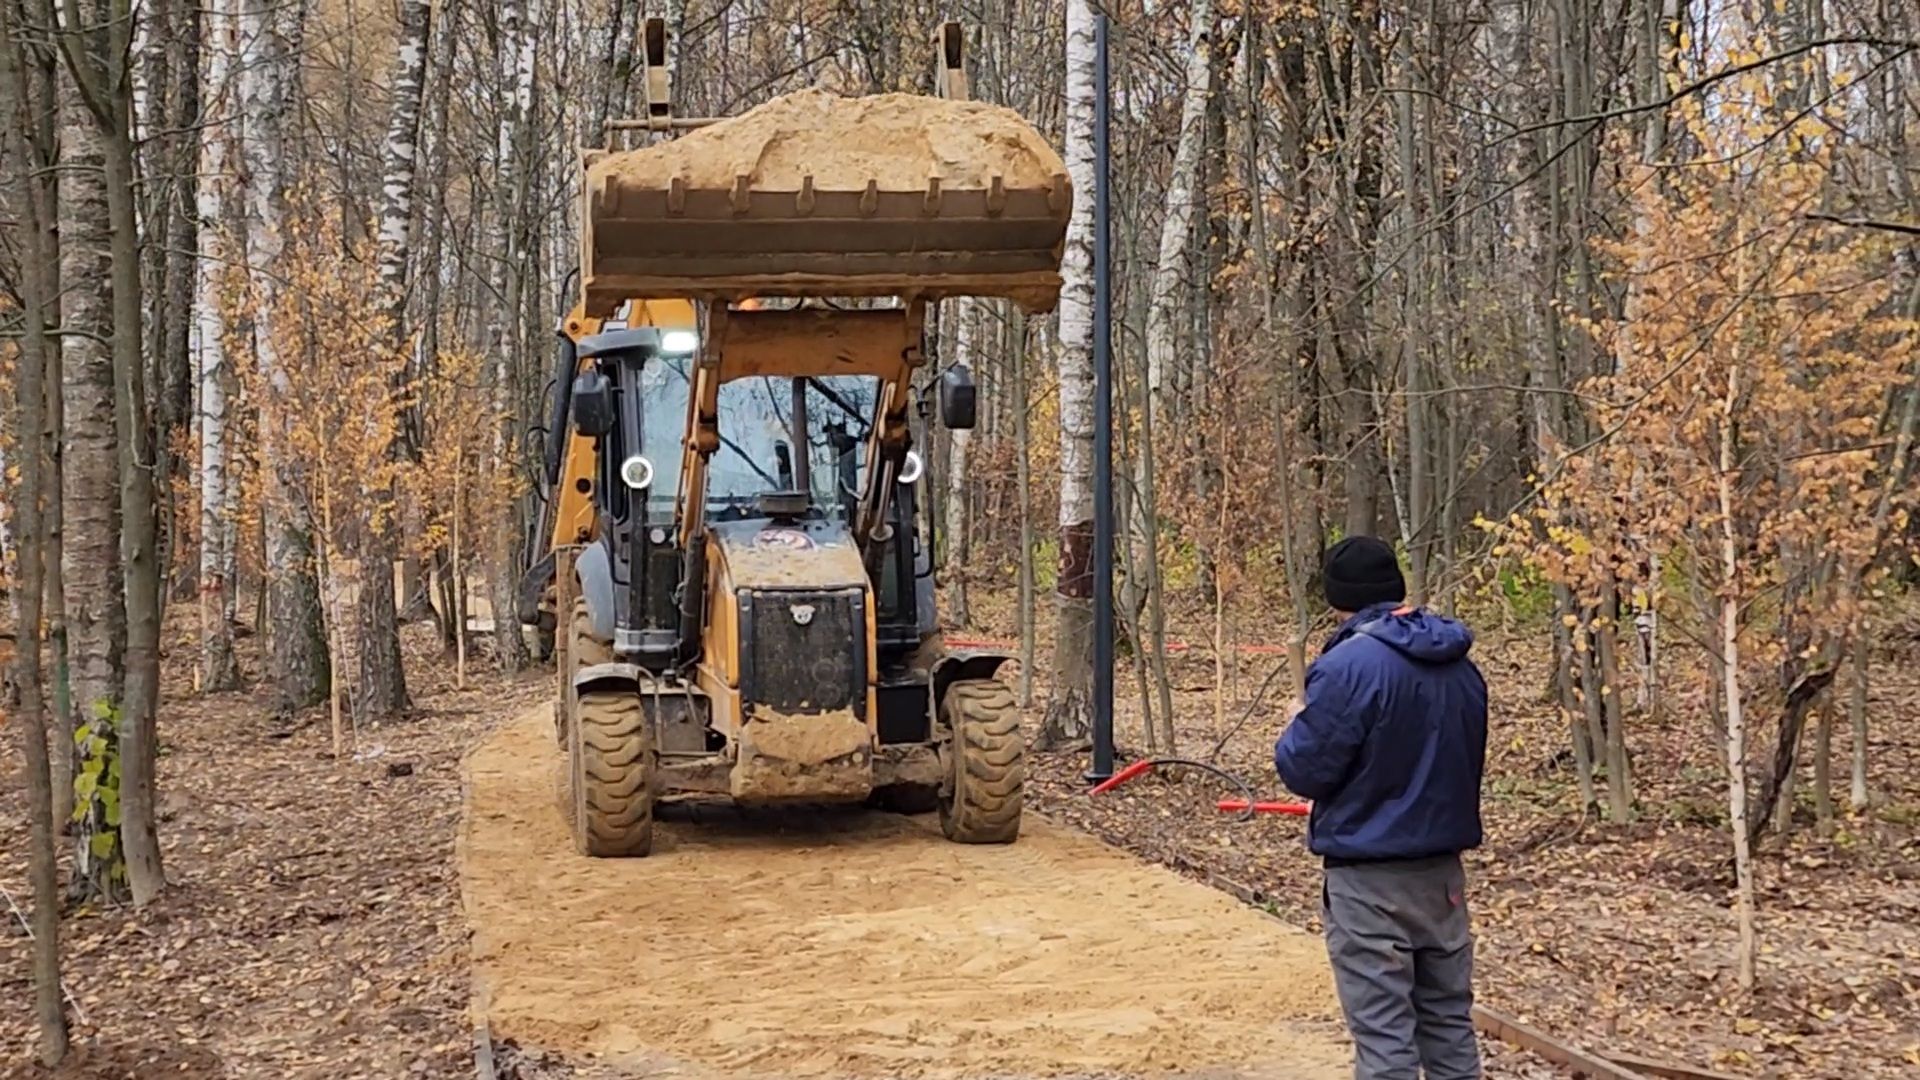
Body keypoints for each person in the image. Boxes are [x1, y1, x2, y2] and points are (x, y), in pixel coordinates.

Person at [1273, 535, 1488, 1080]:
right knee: (1447, 1025)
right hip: (1443, 878)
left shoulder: (1347, 668)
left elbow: (1306, 770)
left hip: (1369, 880)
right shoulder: (1462, 666)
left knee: (1385, 1038)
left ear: (1335, 598)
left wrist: (1299, 720)